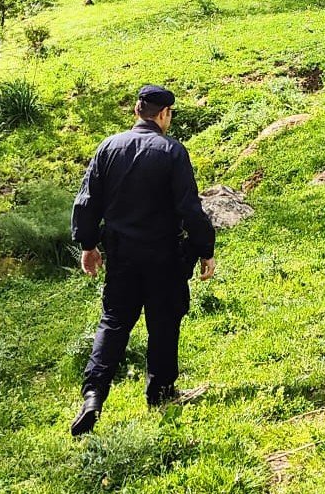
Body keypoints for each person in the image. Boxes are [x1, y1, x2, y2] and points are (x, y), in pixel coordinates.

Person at [69, 84, 217, 435]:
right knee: (163, 323)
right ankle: (161, 393)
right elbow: (190, 209)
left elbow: (87, 202)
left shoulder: (108, 147)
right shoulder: (172, 152)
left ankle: (93, 395)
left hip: (121, 256)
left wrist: (88, 246)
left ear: (137, 111)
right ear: (164, 114)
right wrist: (205, 249)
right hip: (164, 255)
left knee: (114, 322)